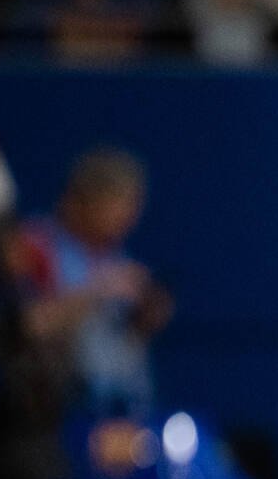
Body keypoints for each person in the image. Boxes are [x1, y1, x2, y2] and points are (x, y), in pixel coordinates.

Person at [17, 148, 173, 419]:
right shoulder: (36, 244)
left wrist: (143, 321)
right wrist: (98, 291)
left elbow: (118, 346)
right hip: (49, 415)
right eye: (120, 206)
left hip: (116, 413)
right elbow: (26, 325)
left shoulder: (115, 256)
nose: (129, 220)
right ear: (84, 200)